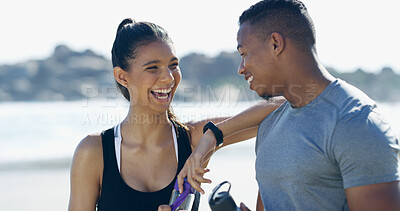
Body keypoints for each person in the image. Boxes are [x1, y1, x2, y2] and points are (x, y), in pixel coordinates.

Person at [177, 0, 400, 210]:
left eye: (244, 54)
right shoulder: (271, 122)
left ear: (276, 43)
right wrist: (211, 136)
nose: (241, 68)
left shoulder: (357, 123)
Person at [68, 18, 284, 211]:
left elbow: (283, 106)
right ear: (122, 77)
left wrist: (211, 137)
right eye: (153, 68)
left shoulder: (194, 139)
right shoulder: (94, 152)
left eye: (173, 66)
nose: (169, 78)